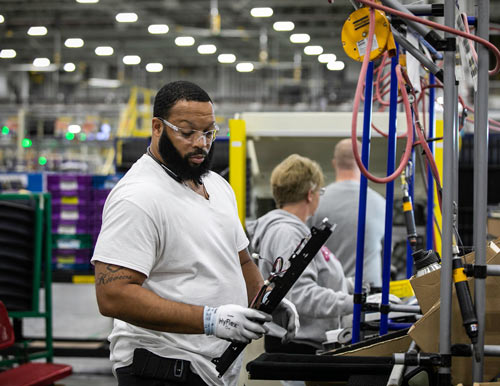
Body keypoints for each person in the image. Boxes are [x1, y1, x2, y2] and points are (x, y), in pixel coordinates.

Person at [91, 80, 297, 386]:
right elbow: (113, 296)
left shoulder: (216, 185)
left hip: (210, 368)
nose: (201, 143)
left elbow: (239, 260)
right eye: (187, 132)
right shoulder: (138, 197)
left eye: (209, 132)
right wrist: (211, 320)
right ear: (158, 128)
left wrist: (264, 300)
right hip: (160, 366)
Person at [248, 154, 353, 372]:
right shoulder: (287, 233)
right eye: (320, 192)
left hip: (305, 346)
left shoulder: (296, 231)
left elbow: (315, 279)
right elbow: (301, 296)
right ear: (310, 193)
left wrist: (354, 287)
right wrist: (357, 303)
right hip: (298, 350)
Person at [309, 138, 386, 288]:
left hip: (328, 296)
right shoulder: (381, 203)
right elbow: (385, 251)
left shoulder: (316, 201)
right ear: (363, 162)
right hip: (368, 297)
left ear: (334, 163)